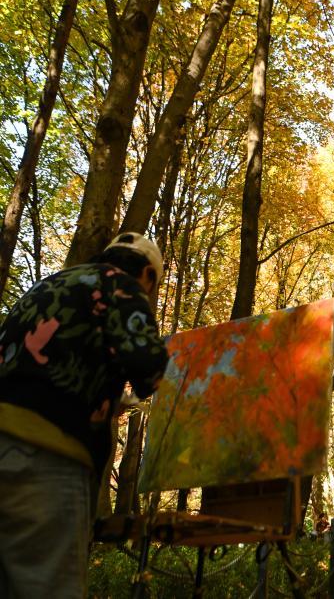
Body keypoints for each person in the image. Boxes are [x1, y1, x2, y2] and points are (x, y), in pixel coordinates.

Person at [0, 232, 168, 598]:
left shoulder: (49, 284)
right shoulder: (120, 285)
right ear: (146, 275)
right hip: (46, 457)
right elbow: (148, 367)